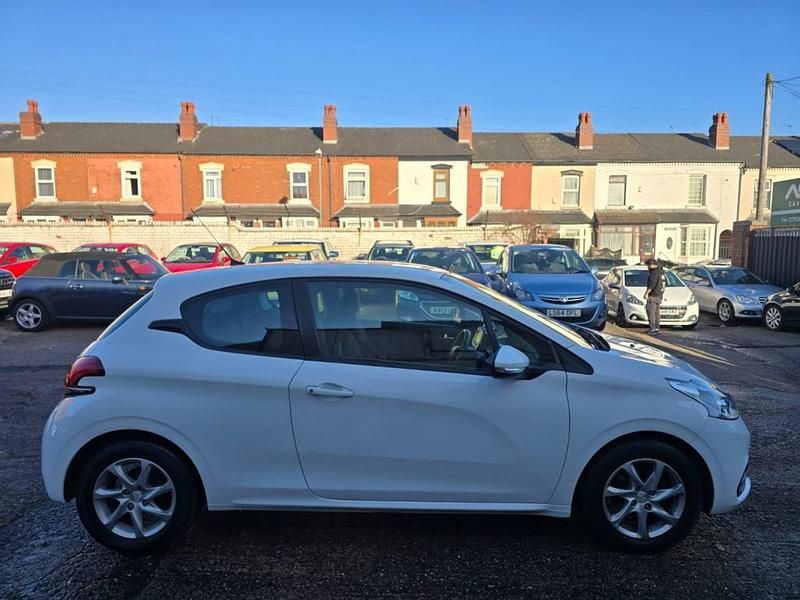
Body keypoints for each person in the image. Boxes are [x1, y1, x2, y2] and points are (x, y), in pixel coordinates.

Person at [643, 258, 665, 335]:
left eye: (648, 265)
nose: (647, 267)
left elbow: (652, 284)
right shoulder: (661, 271)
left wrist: (646, 293)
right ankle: (656, 327)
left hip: (653, 295)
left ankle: (652, 328)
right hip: (659, 294)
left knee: (651, 312)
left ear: (651, 265)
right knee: (656, 312)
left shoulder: (654, 272)